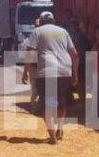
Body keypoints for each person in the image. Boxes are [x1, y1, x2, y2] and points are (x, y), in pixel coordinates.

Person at [23, 11, 78, 144]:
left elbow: (30, 53)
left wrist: (25, 71)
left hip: (47, 71)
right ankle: (60, 128)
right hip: (65, 70)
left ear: (40, 21)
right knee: (60, 100)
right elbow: (75, 54)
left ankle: (53, 137)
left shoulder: (37, 32)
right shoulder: (63, 31)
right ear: (53, 20)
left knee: (46, 104)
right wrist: (75, 73)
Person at [68, 17, 89, 103]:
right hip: (73, 62)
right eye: (71, 24)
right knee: (72, 82)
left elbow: (77, 49)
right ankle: (72, 99)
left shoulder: (80, 36)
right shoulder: (72, 34)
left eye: (74, 24)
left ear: (77, 25)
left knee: (80, 83)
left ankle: (82, 101)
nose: (72, 26)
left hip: (80, 63)